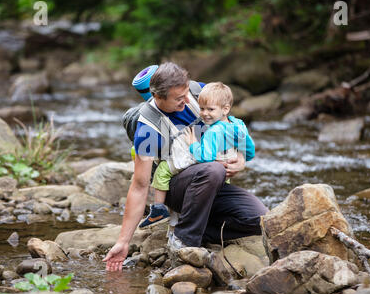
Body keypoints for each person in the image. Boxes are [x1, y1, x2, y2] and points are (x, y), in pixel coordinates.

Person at [103, 62, 268, 272]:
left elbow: (231, 127)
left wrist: (241, 159)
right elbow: (139, 186)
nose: (188, 100)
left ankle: (195, 228)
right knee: (213, 169)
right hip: (177, 187)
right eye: (179, 99)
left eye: (186, 93)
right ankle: (184, 240)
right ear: (158, 97)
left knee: (260, 220)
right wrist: (123, 242)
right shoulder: (148, 129)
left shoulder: (197, 91)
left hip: (210, 184)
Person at [147, 81, 256, 223]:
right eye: (202, 108)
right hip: (225, 172)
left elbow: (205, 157)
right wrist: (242, 158)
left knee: (163, 169)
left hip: (212, 168)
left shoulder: (214, 131)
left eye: (210, 109)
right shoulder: (238, 124)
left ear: (226, 109)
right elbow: (250, 149)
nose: (204, 114)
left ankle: (158, 209)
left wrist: (193, 144)